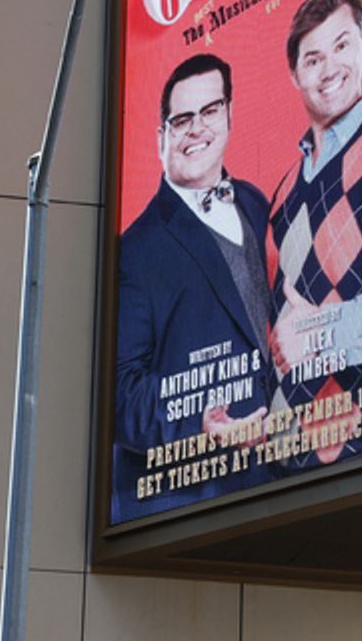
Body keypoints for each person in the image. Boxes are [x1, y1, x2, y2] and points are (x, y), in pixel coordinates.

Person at [112, 53, 271, 522]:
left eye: (209, 112)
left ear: (229, 115)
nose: (197, 129)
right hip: (186, 505)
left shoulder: (256, 204)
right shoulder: (135, 251)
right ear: (161, 137)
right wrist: (196, 424)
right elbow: (119, 391)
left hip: (269, 484)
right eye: (181, 120)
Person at [267, 0, 362, 468]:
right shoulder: (282, 195)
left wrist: (324, 333)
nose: (330, 69)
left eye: (342, 45)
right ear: (294, 75)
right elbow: (281, 335)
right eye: (313, 58)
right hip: (289, 470)